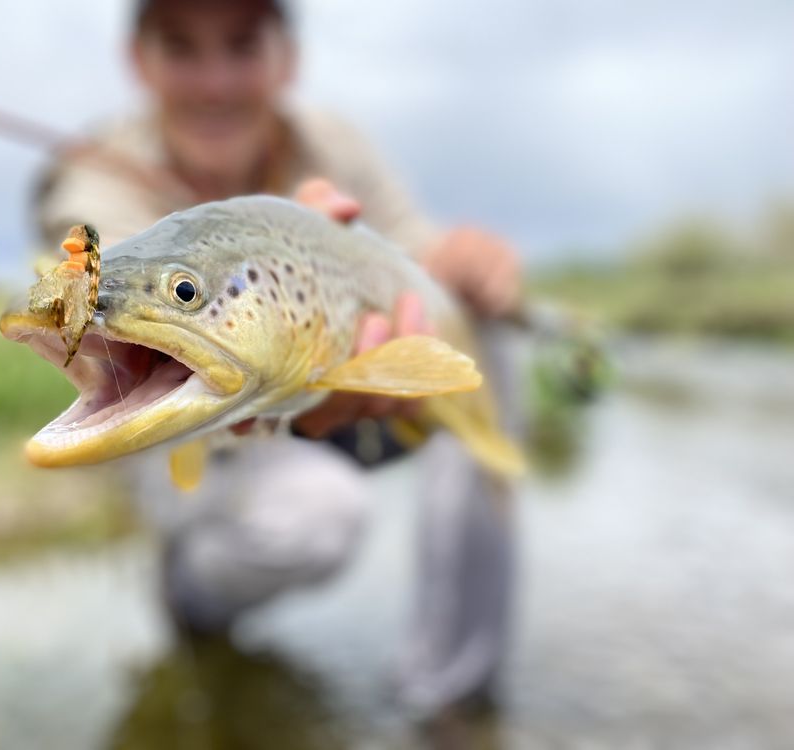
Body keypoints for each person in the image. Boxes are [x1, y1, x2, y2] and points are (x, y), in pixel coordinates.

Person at [34, 0, 522, 716]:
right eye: (183, 48)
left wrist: (461, 266)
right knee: (320, 514)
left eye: (240, 45)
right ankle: (196, 599)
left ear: (285, 59)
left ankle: (453, 693)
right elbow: (84, 292)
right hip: (200, 424)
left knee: (483, 340)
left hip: (331, 381)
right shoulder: (99, 180)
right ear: (139, 60)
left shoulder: (335, 145)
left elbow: (417, 250)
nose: (215, 82)